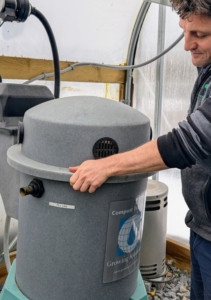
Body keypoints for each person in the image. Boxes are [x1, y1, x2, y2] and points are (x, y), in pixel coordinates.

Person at [69, 1, 211, 299]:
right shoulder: (207, 70)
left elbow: (188, 143)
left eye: (199, 33)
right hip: (202, 226)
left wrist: (106, 166)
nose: (187, 45)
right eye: (184, 31)